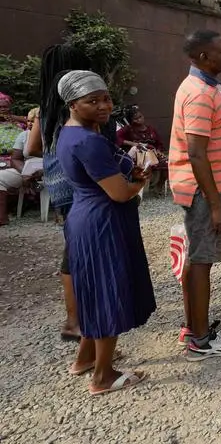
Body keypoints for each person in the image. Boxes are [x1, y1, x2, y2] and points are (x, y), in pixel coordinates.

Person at [55, 70, 155, 395]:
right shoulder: (88, 141)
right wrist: (142, 180)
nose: (103, 106)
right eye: (92, 101)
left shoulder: (70, 133)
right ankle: (103, 376)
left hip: (85, 217)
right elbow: (120, 193)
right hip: (102, 222)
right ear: (72, 103)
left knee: (94, 291)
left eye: (106, 98)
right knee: (107, 294)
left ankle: (85, 358)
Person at [169, 30, 221, 360]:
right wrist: (216, 206)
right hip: (203, 190)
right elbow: (197, 152)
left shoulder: (209, 87)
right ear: (204, 58)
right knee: (201, 261)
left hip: (205, 187)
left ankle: (193, 326)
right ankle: (199, 341)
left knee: (197, 258)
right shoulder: (200, 93)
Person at [26, 44, 94, 341]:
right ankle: (75, 321)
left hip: (59, 186)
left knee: (73, 249)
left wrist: (55, 152)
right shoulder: (81, 106)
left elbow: (31, 148)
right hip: (83, 185)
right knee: (80, 254)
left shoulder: (46, 107)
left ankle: (74, 319)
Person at [116, 106, 168, 195]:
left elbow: (159, 143)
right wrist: (132, 143)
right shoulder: (129, 129)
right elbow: (116, 138)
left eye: (140, 117)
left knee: (167, 163)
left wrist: (159, 150)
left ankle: (159, 186)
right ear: (131, 120)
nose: (139, 120)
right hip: (139, 155)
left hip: (153, 153)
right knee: (145, 163)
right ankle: (141, 188)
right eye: (135, 119)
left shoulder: (151, 129)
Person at [0, 113, 34, 226]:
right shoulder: (24, 135)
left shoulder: (52, 134)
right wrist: (25, 172)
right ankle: (2, 217)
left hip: (46, 170)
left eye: (34, 121)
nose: (30, 124)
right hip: (24, 169)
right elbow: (15, 159)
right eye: (29, 121)